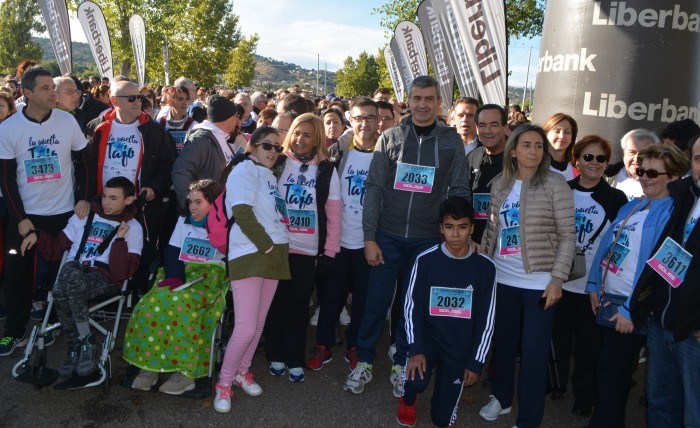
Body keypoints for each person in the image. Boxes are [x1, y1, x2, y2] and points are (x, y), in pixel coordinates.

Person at [344, 75, 469, 397]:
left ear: (439, 103)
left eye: (429, 99)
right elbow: (373, 188)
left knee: (412, 306)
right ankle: (365, 361)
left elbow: (458, 190)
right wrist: (369, 237)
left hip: (428, 239)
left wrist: (453, 238)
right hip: (387, 235)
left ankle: (401, 362)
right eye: (417, 98)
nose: (423, 105)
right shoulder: (391, 136)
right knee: (375, 302)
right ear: (407, 101)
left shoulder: (451, 140)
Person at [586, 144, 689, 428]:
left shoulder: (672, 215)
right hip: (609, 299)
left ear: (675, 176)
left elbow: (657, 270)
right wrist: (594, 285)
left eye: (653, 172)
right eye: (641, 170)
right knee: (609, 370)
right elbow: (607, 247)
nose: (644, 177)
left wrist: (632, 310)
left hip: (634, 308)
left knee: (610, 369)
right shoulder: (633, 205)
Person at [479, 123, 575, 427]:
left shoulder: (555, 184)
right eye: (526, 145)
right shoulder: (501, 183)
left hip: (540, 283)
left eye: (538, 145)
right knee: (504, 344)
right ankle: (502, 398)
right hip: (503, 279)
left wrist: (557, 279)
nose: (533, 151)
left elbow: (568, 236)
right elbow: (493, 230)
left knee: (533, 352)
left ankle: (530, 418)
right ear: (514, 150)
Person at [0, 67, 92, 357]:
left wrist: (83, 197)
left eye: (53, 87)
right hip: (24, 215)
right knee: (16, 274)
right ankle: (14, 331)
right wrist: (21, 218)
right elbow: (6, 178)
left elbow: (85, 163)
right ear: (26, 94)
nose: (53, 93)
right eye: (45, 88)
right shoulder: (9, 129)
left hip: (63, 214)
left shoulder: (67, 122)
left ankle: (53, 325)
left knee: (60, 276)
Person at [21, 177, 142, 377]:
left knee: (65, 281)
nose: (106, 203)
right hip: (75, 274)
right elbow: (57, 249)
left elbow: (122, 273)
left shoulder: (133, 228)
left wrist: (120, 240)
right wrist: (37, 234)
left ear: (128, 200)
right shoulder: (83, 216)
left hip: (104, 277)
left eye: (113, 198)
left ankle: (79, 345)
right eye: (104, 196)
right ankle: (80, 345)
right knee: (65, 282)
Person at [397, 197, 496, 428]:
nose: (456, 234)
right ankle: (408, 398)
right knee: (416, 381)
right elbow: (412, 308)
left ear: (472, 228)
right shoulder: (425, 259)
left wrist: (476, 361)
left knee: (441, 420)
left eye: (462, 227)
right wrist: (416, 348)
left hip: (458, 349)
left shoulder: (486, 268)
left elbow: (487, 320)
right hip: (428, 342)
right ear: (441, 228)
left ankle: (446, 392)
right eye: (449, 227)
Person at [124, 179, 228, 394]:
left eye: (199, 202)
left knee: (184, 307)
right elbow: (172, 251)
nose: (193, 208)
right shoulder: (184, 221)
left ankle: (186, 372)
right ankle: (149, 366)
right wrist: (175, 276)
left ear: (214, 202)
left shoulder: (225, 223)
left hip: (209, 276)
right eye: (190, 202)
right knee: (149, 305)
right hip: (180, 271)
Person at [549, 136, 627, 415]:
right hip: (560, 279)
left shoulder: (616, 198)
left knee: (588, 346)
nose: (594, 163)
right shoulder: (562, 188)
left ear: (607, 164)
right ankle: (555, 384)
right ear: (577, 160)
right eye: (588, 157)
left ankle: (584, 397)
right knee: (557, 337)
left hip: (593, 286)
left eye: (601, 159)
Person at [214, 127, 291, 413]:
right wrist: (266, 245)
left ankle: (241, 372)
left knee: (258, 325)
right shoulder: (244, 169)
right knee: (246, 326)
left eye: (277, 148)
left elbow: (272, 213)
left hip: (273, 251)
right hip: (251, 253)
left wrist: (277, 245)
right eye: (267, 145)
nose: (273, 151)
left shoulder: (268, 175)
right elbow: (241, 211)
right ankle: (223, 383)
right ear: (253, 146)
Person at [629, 135, 700, 427]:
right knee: (660, 406)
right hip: (661, 324)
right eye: (698, 159)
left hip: (693, 335)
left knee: (694, 415)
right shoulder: (685, 198)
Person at [265, 113, 341, 382]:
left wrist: (329, 252)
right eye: (296, 132)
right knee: (275, 304)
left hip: (308, 252)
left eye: (307, 135)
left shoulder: (327, 170)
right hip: (277, 248)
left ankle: (295, 357)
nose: (299, 139)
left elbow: (334, 214)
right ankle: (275, 354)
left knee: (298, 306)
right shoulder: (278, 162)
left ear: (317, 139)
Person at [306, 97, 378, 372]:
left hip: (367, 243)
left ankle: (355, 347)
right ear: (351, 119)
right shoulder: (336, 155)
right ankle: (324, 344)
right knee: (330, 297)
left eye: (370, 118)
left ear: (378, 120)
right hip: (336, 240)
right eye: (359, 118)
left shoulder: (386, 156)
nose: (364, 123)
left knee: (361, 299)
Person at [86, 80, 175, 293]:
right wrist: (85, 197)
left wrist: (154, 187)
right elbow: (86, 165)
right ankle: (100, 293)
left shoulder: (154, 131)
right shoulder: (96, 126)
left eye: (141, 98)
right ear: (114, 100)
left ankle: (137, 296)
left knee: (139, 251)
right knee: (102, 248)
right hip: (103, 203)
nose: (139, 102)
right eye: (132, 98)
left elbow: (169, 165)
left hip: (139, 206)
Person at [172, 95, 239, 213]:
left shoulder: (220, 137)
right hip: (204, 214)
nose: (237, 120)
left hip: (216, 210)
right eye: (235, 116)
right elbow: (180, 171)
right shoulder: (201, 140)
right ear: (226, 118)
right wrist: (189, 207)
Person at [467, 104, 508, 244]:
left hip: (506, 247)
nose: (488, 131)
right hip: (475, 243)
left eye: (494, 125)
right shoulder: (472, 157)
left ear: (505, 127)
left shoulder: (518, 159)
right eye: (482, 125)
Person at [604, 129, 659, 200]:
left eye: (643, 153)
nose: (636, 158)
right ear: (623, 154)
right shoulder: (607, 176)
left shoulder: (661, 182)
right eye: (632, 152)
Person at [544, 113, 578, 180]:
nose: (562, 136)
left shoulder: (576, 168)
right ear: (546, 134)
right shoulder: (536, 165)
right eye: (557, 131)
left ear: (572, 138)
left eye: (567, 132)